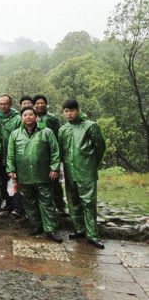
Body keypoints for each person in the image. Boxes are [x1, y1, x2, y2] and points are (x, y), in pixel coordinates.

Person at [7, 107, 62, 242]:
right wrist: (11, 169)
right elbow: (10, 154)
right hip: (23, 175)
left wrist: (54, 168)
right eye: (25, 115)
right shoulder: (15, 134)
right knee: (29, 202)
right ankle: (36, 225)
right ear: (21, 118)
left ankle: (50, 229)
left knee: (47, 202)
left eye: (31, 114)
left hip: (42, 174)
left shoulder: (46, 132)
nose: (28, 117)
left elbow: (55, 151)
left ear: (36, 117)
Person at [58, 99, 106, 249]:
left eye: (72, 110)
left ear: (78, 110)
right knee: (73, 202)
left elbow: (100, 147)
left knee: (88, 203)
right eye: (66, 111)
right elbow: (61, 151)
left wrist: (91, 163)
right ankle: (79, 229)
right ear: (63, 112)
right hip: (69, 171)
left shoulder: (91, 126)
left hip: (86, 171)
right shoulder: (63, 129)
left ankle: (92, 235)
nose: (69, 113)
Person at [33, 94, 66, 215]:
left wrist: (59, 154)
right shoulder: (31, 117)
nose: (40, 105)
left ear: (46, 104)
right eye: (37, 103)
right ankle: (42, 207)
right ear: (34, 105)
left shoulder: (52, 118)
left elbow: (59, 135)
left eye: (42, 103)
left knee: (55, 182)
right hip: (37, 155)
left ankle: (60, 206)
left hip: (51, 153)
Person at [0, 95, 23, 216]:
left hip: (14, 155)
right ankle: (8, 204)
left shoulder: (17, 118)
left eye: (5, 103)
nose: (3, 106)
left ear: (10, 104)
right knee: (3, 182)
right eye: (0, 104)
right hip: (0, 155)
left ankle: (18, 207)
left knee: (15, 182)